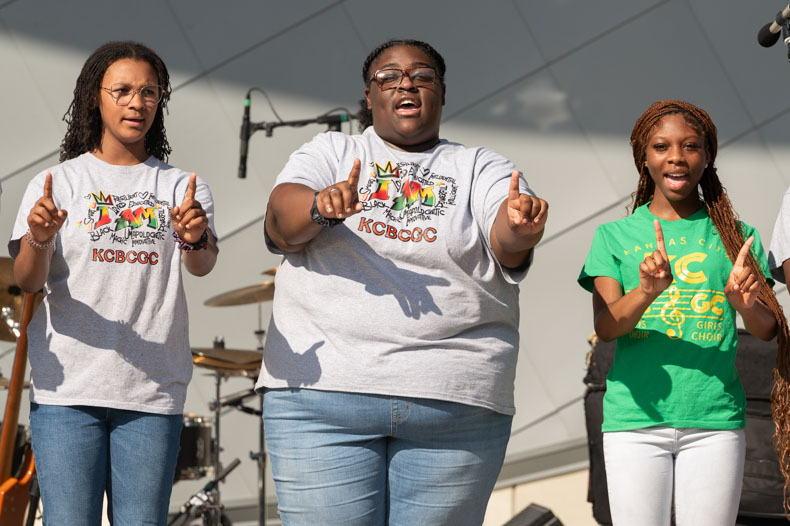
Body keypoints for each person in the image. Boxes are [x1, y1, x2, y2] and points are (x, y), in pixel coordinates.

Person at [257, 39, 548, 525]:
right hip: (325, 399)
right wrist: (318, 206)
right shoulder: (333, 150)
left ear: (442, 92)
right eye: (388, 77)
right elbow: (280, 221)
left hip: (452, 400)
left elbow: (506, 232)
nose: (406, 83)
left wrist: (519, 226)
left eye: (422, 75)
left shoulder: (480, 166)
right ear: (369, 98)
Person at [9, 41, 218, 524]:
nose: (136, 103)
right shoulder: (57, 183)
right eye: (122, 90)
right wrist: (38, 240)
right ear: (95, 98)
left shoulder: (181, 186)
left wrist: (196, 236)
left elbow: (202, 265)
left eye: (148, 92)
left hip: (151, 392)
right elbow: (27, 280)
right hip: (69, 393)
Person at [578, 100, 790, 525]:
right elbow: (607, 325)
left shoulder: (736, 235)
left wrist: (745, 307)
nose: (676, 157)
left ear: (707, 155)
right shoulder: (613, 236)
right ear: (645, 158)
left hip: (714, 422)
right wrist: (646, 291)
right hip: (635, 421)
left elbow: (767, 330)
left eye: (690, 146)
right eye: (662, 147)